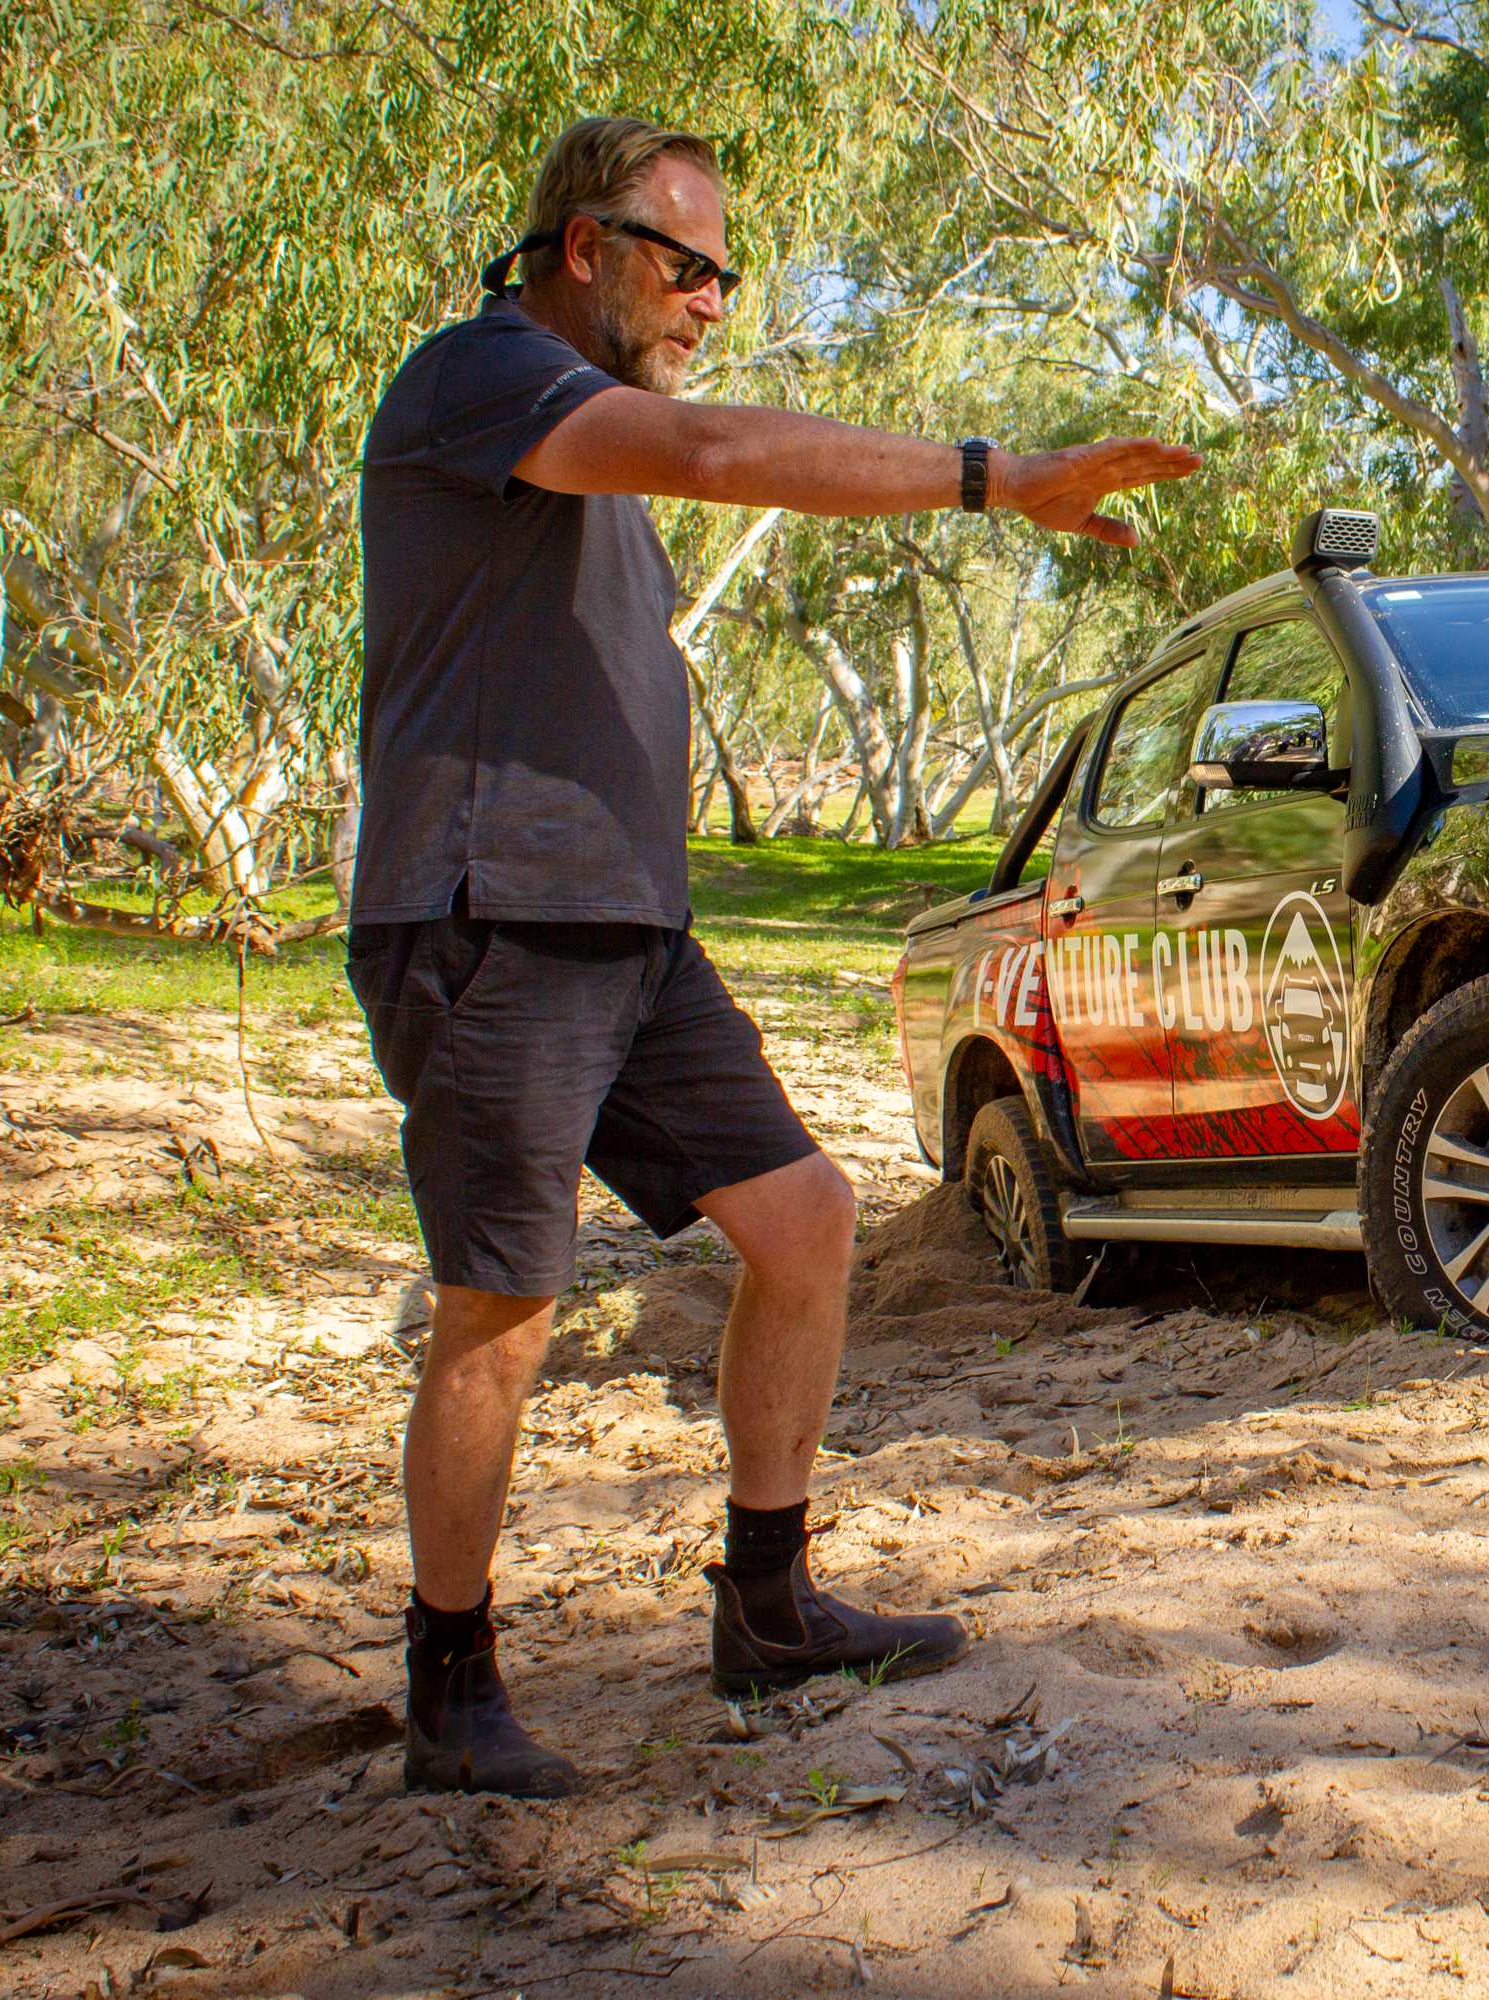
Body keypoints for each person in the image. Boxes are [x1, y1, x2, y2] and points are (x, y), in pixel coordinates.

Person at [352, 114, 1199, 1796]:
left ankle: (769, 1601)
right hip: (489, 915)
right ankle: (452, 1688)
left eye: (726, 273)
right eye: (688, 264)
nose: (712, 301)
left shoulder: (579, 428)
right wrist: (993, 477)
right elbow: (730, 453)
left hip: (629, 932)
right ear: (582, 248)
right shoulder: (477, 381)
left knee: (805, 1225)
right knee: (504, 1303)